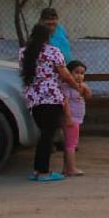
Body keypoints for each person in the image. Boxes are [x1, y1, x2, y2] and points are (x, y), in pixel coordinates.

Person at [19, 23, 82, 182]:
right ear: (48, 37)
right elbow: (65, 74)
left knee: (44, 135)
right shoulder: (53, 52)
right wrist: (77, 86)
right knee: (47, 136)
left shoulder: (24, 53)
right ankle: (43, 172)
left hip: (33, 97)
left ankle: (37, 170)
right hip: (51, 97)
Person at [61, 60, 88, 177]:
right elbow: (65, 102)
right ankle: (71, 169)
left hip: (76, 119)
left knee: (69, 144)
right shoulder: (66, 87)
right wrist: (68, 117)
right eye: (76, 72)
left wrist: (84, 88)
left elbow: (89, 96)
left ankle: (66, 168)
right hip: (72, 120)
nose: (79, 76)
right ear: (69, 73)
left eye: (82, 73)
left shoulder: (79, 87)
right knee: (71, 145)